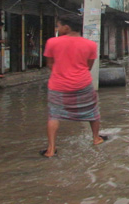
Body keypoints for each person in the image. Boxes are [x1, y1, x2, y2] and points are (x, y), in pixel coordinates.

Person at [40, 14, 107, 158]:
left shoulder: (52, 42)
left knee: (54, 115)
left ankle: (51, 149)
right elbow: (88, 67)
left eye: (58, 26)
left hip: (58, 85)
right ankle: (96, 138)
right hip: (83, 84)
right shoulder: (90, 45)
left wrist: (62, 74)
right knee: (92, 112)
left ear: (66, 27)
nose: (57, 29)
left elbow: (50, 64)